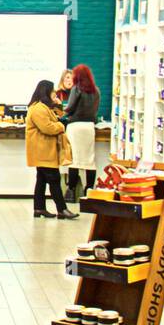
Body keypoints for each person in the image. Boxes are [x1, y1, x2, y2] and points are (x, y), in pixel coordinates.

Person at [26, 78, 77, 220]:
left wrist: (58, 106)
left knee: (41, 180)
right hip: (43, 150)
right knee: (54, 179)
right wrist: (61, 126)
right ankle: (62, 209)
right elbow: (48, 128)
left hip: (43, 150)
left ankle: (39, 208)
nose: (54, 93)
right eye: (52, 90)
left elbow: (58, 116)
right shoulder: (38, 108)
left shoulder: (43, 106)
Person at [62, 63, 101, 203]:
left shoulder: (76, 89)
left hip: (75, 126)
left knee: (75, 160)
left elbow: (70, 107)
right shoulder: (96, 91)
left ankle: (71, 192)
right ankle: (89, 190)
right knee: (89, 160)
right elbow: (96, 110)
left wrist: (62, 111)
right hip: (89, 127)